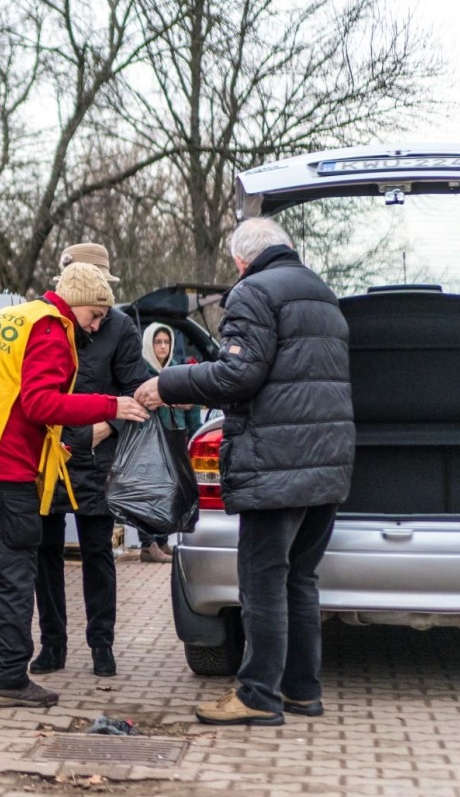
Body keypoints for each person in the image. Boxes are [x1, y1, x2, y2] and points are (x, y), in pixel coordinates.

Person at [135, 217, 354, 726]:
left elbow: (240, 373)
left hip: (276, 464)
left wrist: (169, 383)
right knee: (300, 578)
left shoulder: (254, 293)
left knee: (261, 582)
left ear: (240, 260)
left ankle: (258, 695)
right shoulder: (323, 295)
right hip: (327, 462)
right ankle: (302, 690)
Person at [0, 262, 149, 708]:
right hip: (0, 463)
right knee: (15, 569)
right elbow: (39, 402)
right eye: (96, 314)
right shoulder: (51, 330)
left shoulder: (17, 316)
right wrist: (112, 405)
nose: (98, 324)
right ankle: (9, 677)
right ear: (78, 304)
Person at [32, 246, 150, 680]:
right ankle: (52, 644)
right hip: (48, 457)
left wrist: (107, 428)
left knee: (97, 551)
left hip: (96, 459)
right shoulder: (46, 322)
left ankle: (102, 643)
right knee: (45, 552)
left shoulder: (119, 328)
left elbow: (136, 390)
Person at [135, 322, 203, 563]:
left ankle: (162, 541)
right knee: (149, 491)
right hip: (150, 439)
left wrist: (194, 434)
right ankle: (148, 543)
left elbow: (191, 407)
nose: (163, 347)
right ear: (149, 344)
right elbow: (139, 402)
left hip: (175, 436)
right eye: (158, 342)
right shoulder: (141, 371)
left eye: (166, 342)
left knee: (168, 492)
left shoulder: (177, 370)